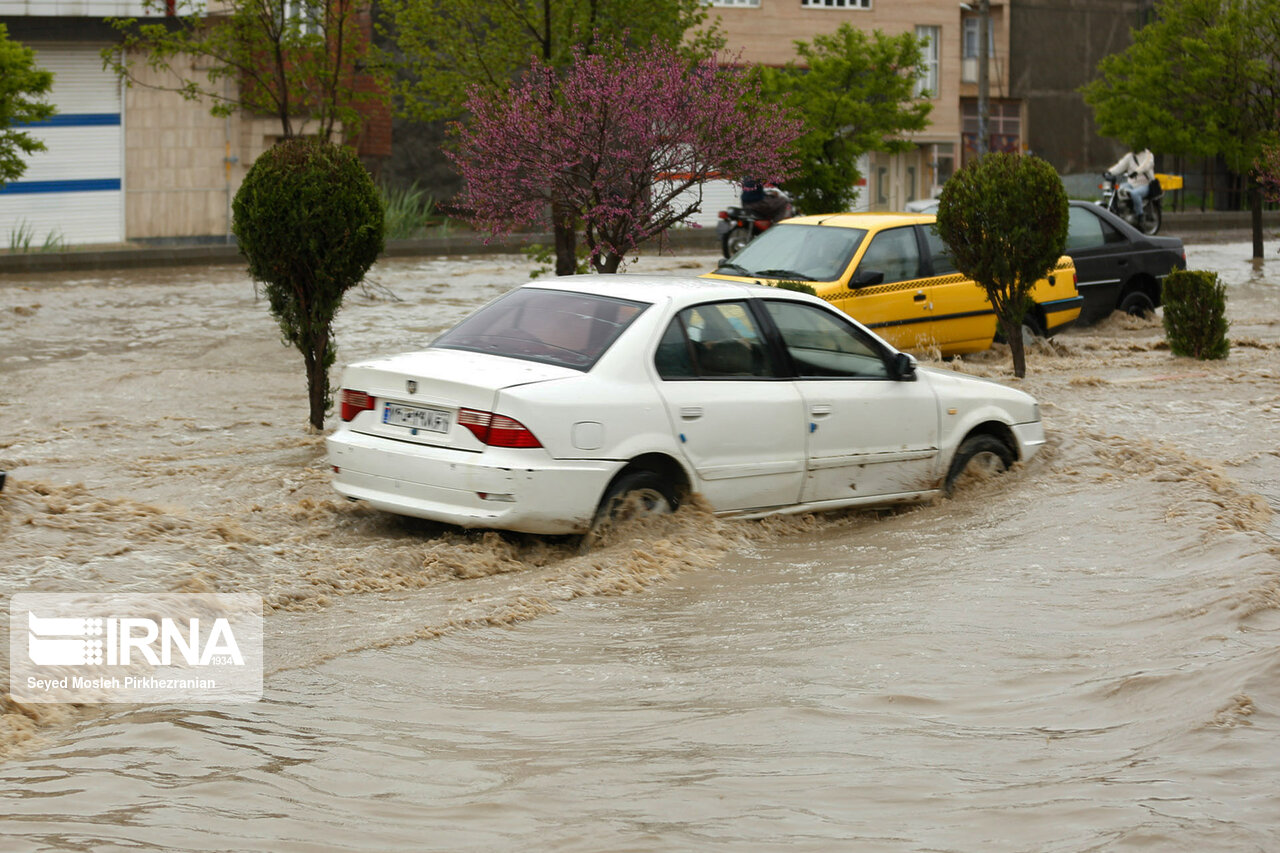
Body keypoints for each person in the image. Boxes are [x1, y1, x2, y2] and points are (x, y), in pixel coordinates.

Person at [1107, 147, 1155, 221]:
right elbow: (1120, 166)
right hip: (1132, 184)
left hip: (1145, 184)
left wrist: (1137, 172)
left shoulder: (1148, 155)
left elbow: (1146, 165)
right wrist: (1109, 172)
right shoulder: (1129, 156)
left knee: (1135, 193)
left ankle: (1140, 216)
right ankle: (1119, 210)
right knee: (1117, 189)